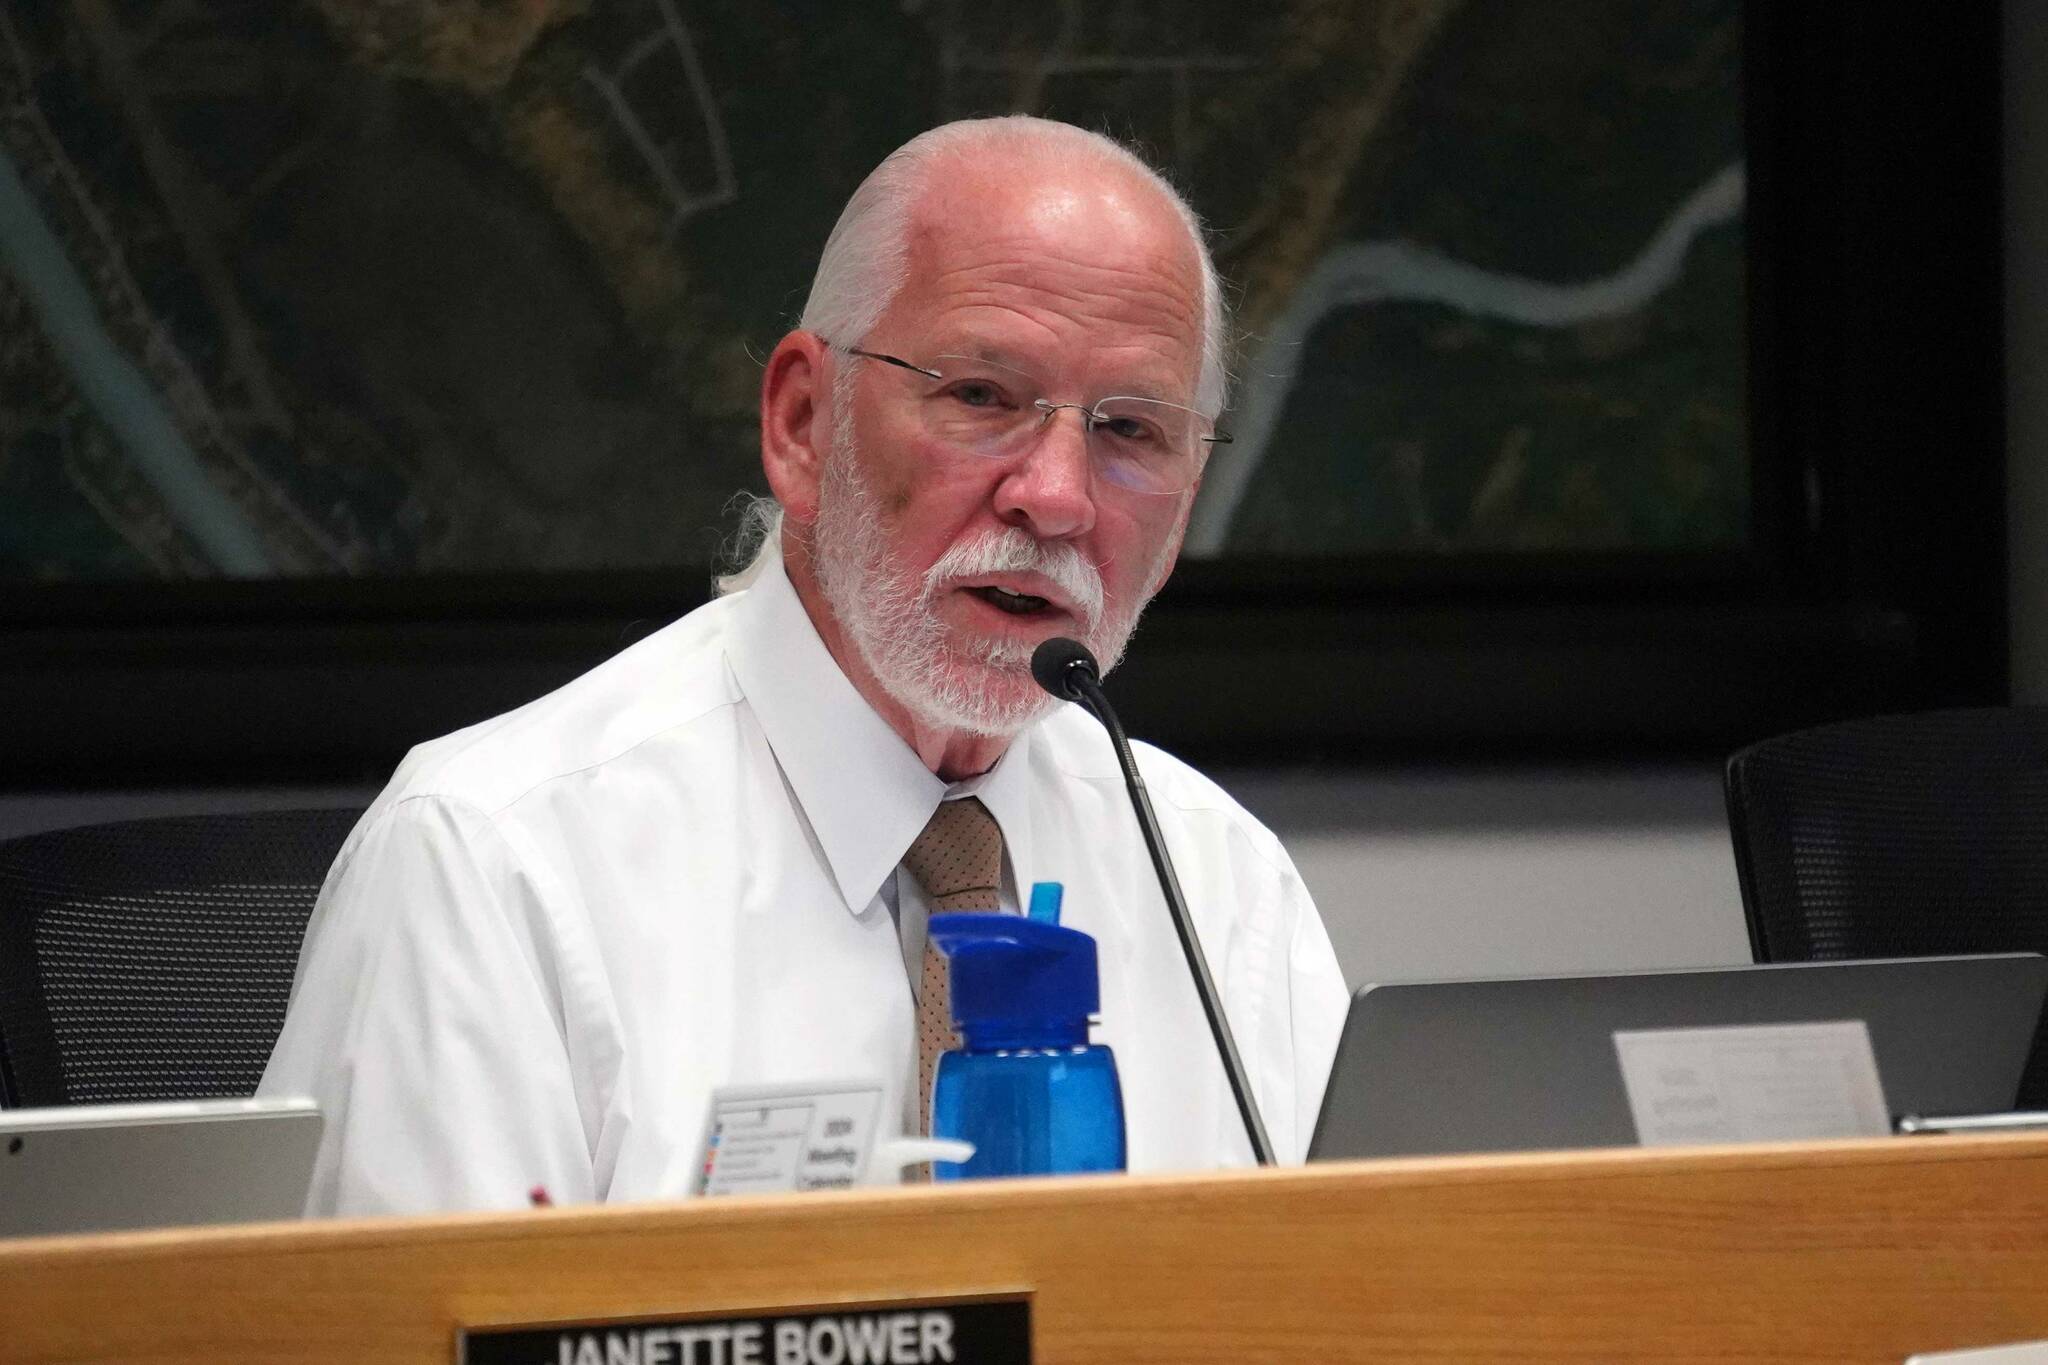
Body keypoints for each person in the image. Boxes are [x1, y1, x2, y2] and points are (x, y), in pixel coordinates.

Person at [260, 115, 1350, 1216]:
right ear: (799, 422)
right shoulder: (494, 864)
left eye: (1128, 431)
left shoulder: (1221, 887)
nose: (1058, 496)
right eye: (980, 396)